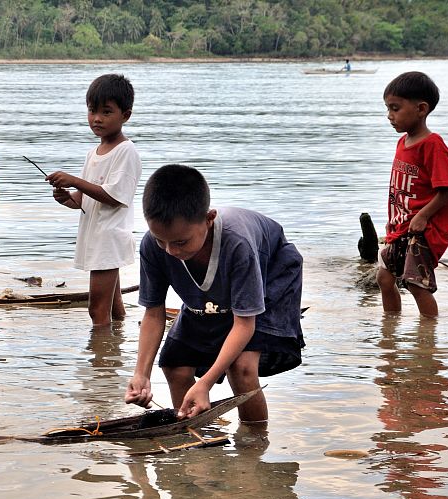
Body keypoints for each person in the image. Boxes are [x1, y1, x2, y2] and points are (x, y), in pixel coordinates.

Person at [124, 165, 304, 423]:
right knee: (174, 364)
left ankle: (254, 447)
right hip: (214, 292)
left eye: (181, 242)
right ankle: (194, 435)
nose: (170, 251)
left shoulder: (237, 244)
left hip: (272, 273)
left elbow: (244, 323)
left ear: (209, 219)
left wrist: (206, 382)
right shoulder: (154, 247)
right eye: (160, 240)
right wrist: (141, 374)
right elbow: (153, 313)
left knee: (241, 367)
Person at [45, 73, 141, 327]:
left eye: (106, 112)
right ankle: (116, 347)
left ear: (125, 115)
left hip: (109, 239)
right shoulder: (93, 153)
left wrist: (75, 181)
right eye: (92, 111)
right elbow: (83, 200)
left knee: (97, 311)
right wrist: (65, 197)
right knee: (114, 307)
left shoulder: (126, 152)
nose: (97, 118)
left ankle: (101, 362)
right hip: (96, 238)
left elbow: (114, 197)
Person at [378, 71, 448, 317]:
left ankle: (428, 340)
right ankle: (390, 329)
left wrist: (423, 216)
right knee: (384, 277)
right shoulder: (403, 143)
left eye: (395, 108)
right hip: (401, 227)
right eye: (388, 109)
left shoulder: (432, 145)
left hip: (423, 231)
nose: (389, 116)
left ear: (421, 108)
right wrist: (393, 221)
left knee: (417, 284)